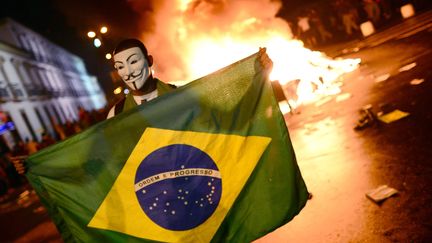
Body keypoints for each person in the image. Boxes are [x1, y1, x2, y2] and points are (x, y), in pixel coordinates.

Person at [107, 39, 176, 119]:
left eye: (133, 62)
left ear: (149, 60)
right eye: (120, 67)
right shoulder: (116, 113)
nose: (128, 72)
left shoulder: (181, 94)